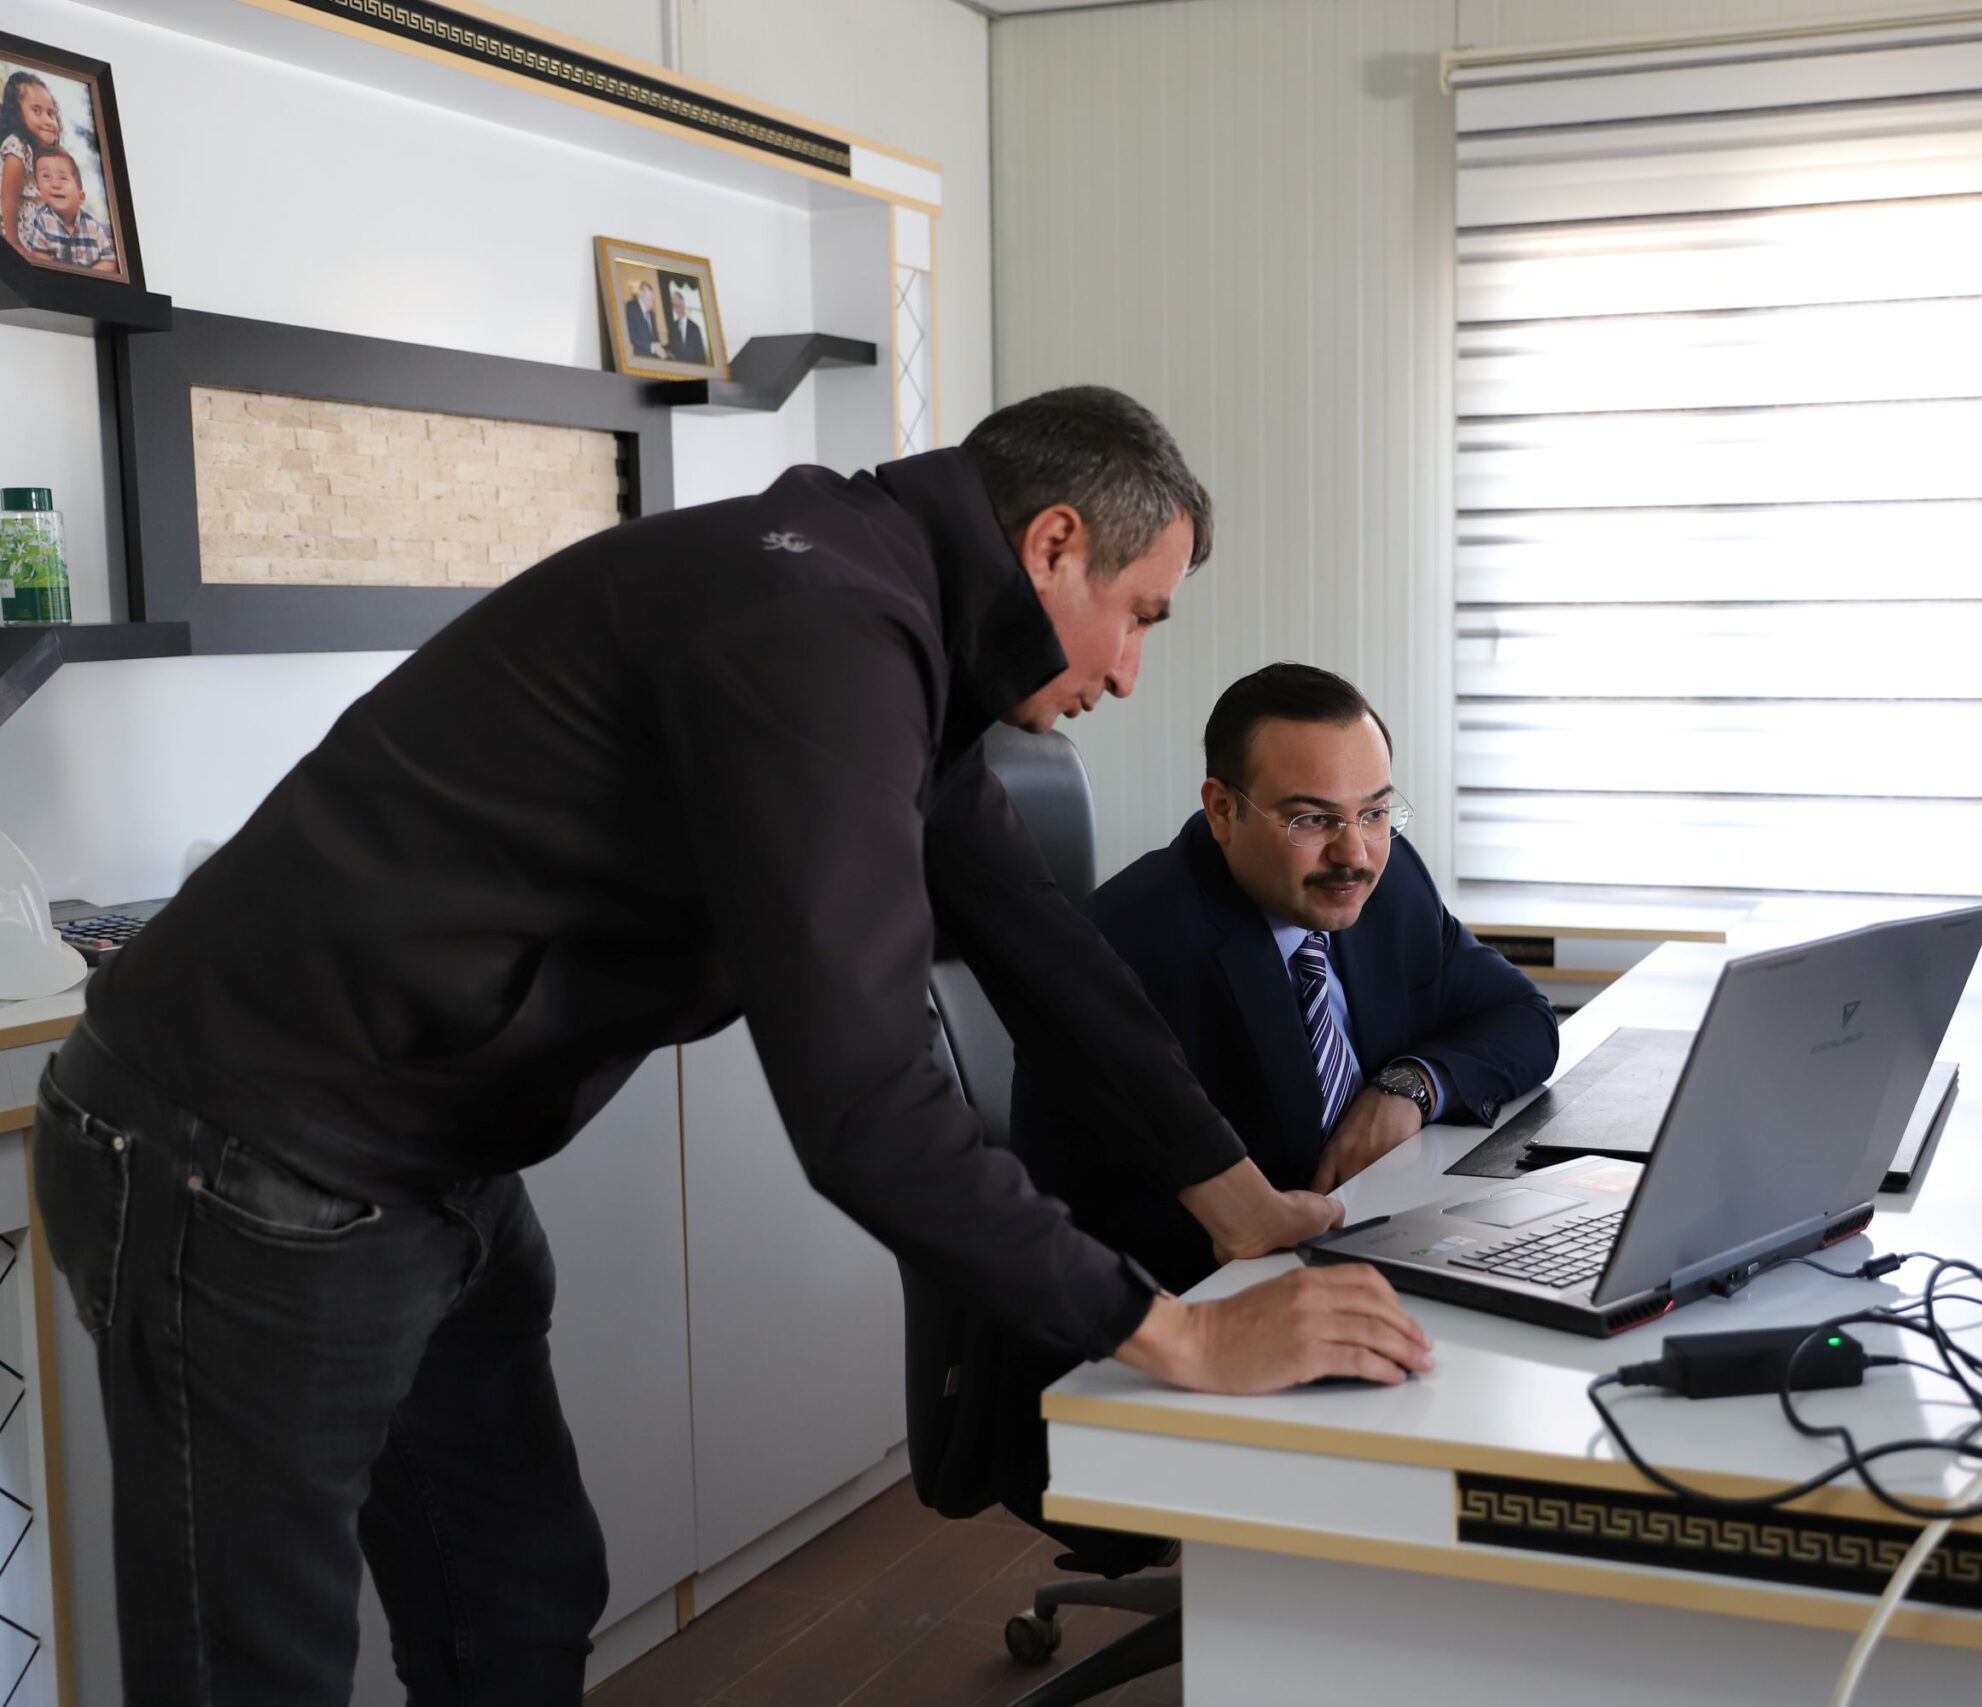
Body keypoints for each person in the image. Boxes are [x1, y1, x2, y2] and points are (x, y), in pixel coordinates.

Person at [31, 388, 1431, 1706]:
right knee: (253, 1664)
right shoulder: (820, 625)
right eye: (1137, 617)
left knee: (515, 1591)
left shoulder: (889, 623)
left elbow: (1043, 946)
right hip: (245, 1141)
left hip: (421, 1152)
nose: (1128, 671)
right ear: (1054, 544)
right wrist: (1177, 1331)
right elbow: (865, 1103)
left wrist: (1239, 1202)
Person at [988, 662, 1559, 1529]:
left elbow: (1523, 1018)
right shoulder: (1132, 944)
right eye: (1311, 820)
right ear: (1223, 810)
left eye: (1375, 812)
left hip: (1344, 1263)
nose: (1354, 853)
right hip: (1167, 1332)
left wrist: (1410, 1085)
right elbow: (1112, 1217)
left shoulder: (1389, 883)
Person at [0, 69, 66, 258]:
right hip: (22, 231)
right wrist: (13, 243)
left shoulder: (45, 153)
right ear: (17, 115)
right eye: (36, 111)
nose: (48, 121)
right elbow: (8, 197)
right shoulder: (18, 147)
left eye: (51, 113)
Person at [20, 145, 115, 273]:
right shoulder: (42, 220)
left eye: (63, 178)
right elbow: (38, 256)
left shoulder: (93, 226)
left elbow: (109, 261)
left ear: (81, 197)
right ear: (39, 190)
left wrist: (87, 276)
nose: (55, 184)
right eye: (46, 176)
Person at [663, 279, 710, 365]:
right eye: (674, 306)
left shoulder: (695, 328)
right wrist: (661, 348)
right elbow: (671, 346)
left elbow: (701, 355)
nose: (677, 309)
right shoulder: (672, 326)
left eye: (678, 305)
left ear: (683, 304)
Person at [621, 276, 666, 361]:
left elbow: (655, 336)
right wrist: (652, 347)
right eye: (649, 299)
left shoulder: (652, 314)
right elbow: (631, 336)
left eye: (652, 299)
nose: (651, 303)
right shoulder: (631, 307)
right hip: (640, 357)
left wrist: (660, 348)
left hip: (654, 358)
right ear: (641, 295)